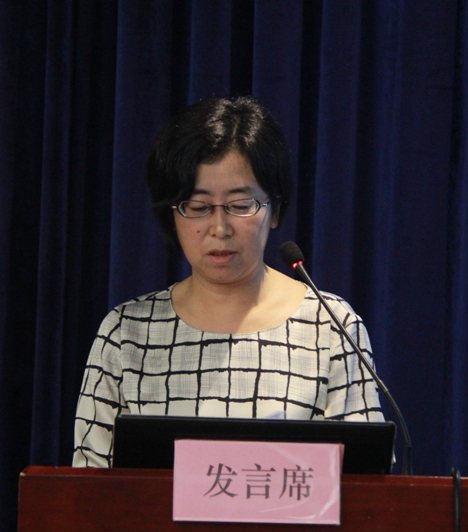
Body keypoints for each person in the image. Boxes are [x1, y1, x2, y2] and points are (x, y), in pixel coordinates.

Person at [73, 96, 384, 468]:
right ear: (172, 214)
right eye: (198, 207)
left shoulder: (331, 327)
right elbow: (89, 481)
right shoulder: (127, 333)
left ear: (275, 209)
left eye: (240, 205)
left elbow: (364, 483)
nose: (219, 229)